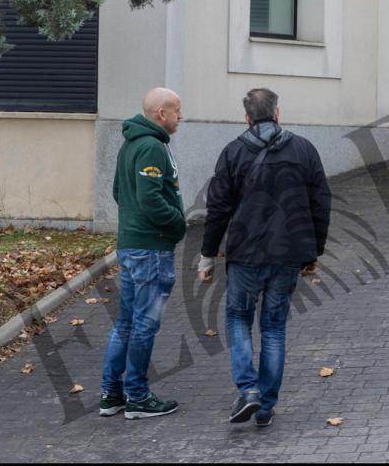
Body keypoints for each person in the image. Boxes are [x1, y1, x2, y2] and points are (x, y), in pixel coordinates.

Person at [198, 88, 331, 427]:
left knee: (238, 320)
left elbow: (217, 209)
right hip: (288, 255)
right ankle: (267, 406)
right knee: (273, 328)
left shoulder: (233, 152)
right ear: (277, 113)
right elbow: (321, 202)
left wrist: (207, 255)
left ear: (246, 117)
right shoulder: (304, 149)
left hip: (245, 255)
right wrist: (314, 249)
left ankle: (248, 389)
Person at [99, 87, 186, 420]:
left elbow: (119, 192)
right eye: (177, 110)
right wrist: (177, 224)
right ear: (161, 114)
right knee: (144, 326)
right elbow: (150, 198)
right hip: (151, 248)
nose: (182, 115)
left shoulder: (132, 144)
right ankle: (137, 396)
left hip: (132, 245)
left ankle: (112, 394)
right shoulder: (151, 146)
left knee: (126, 322)